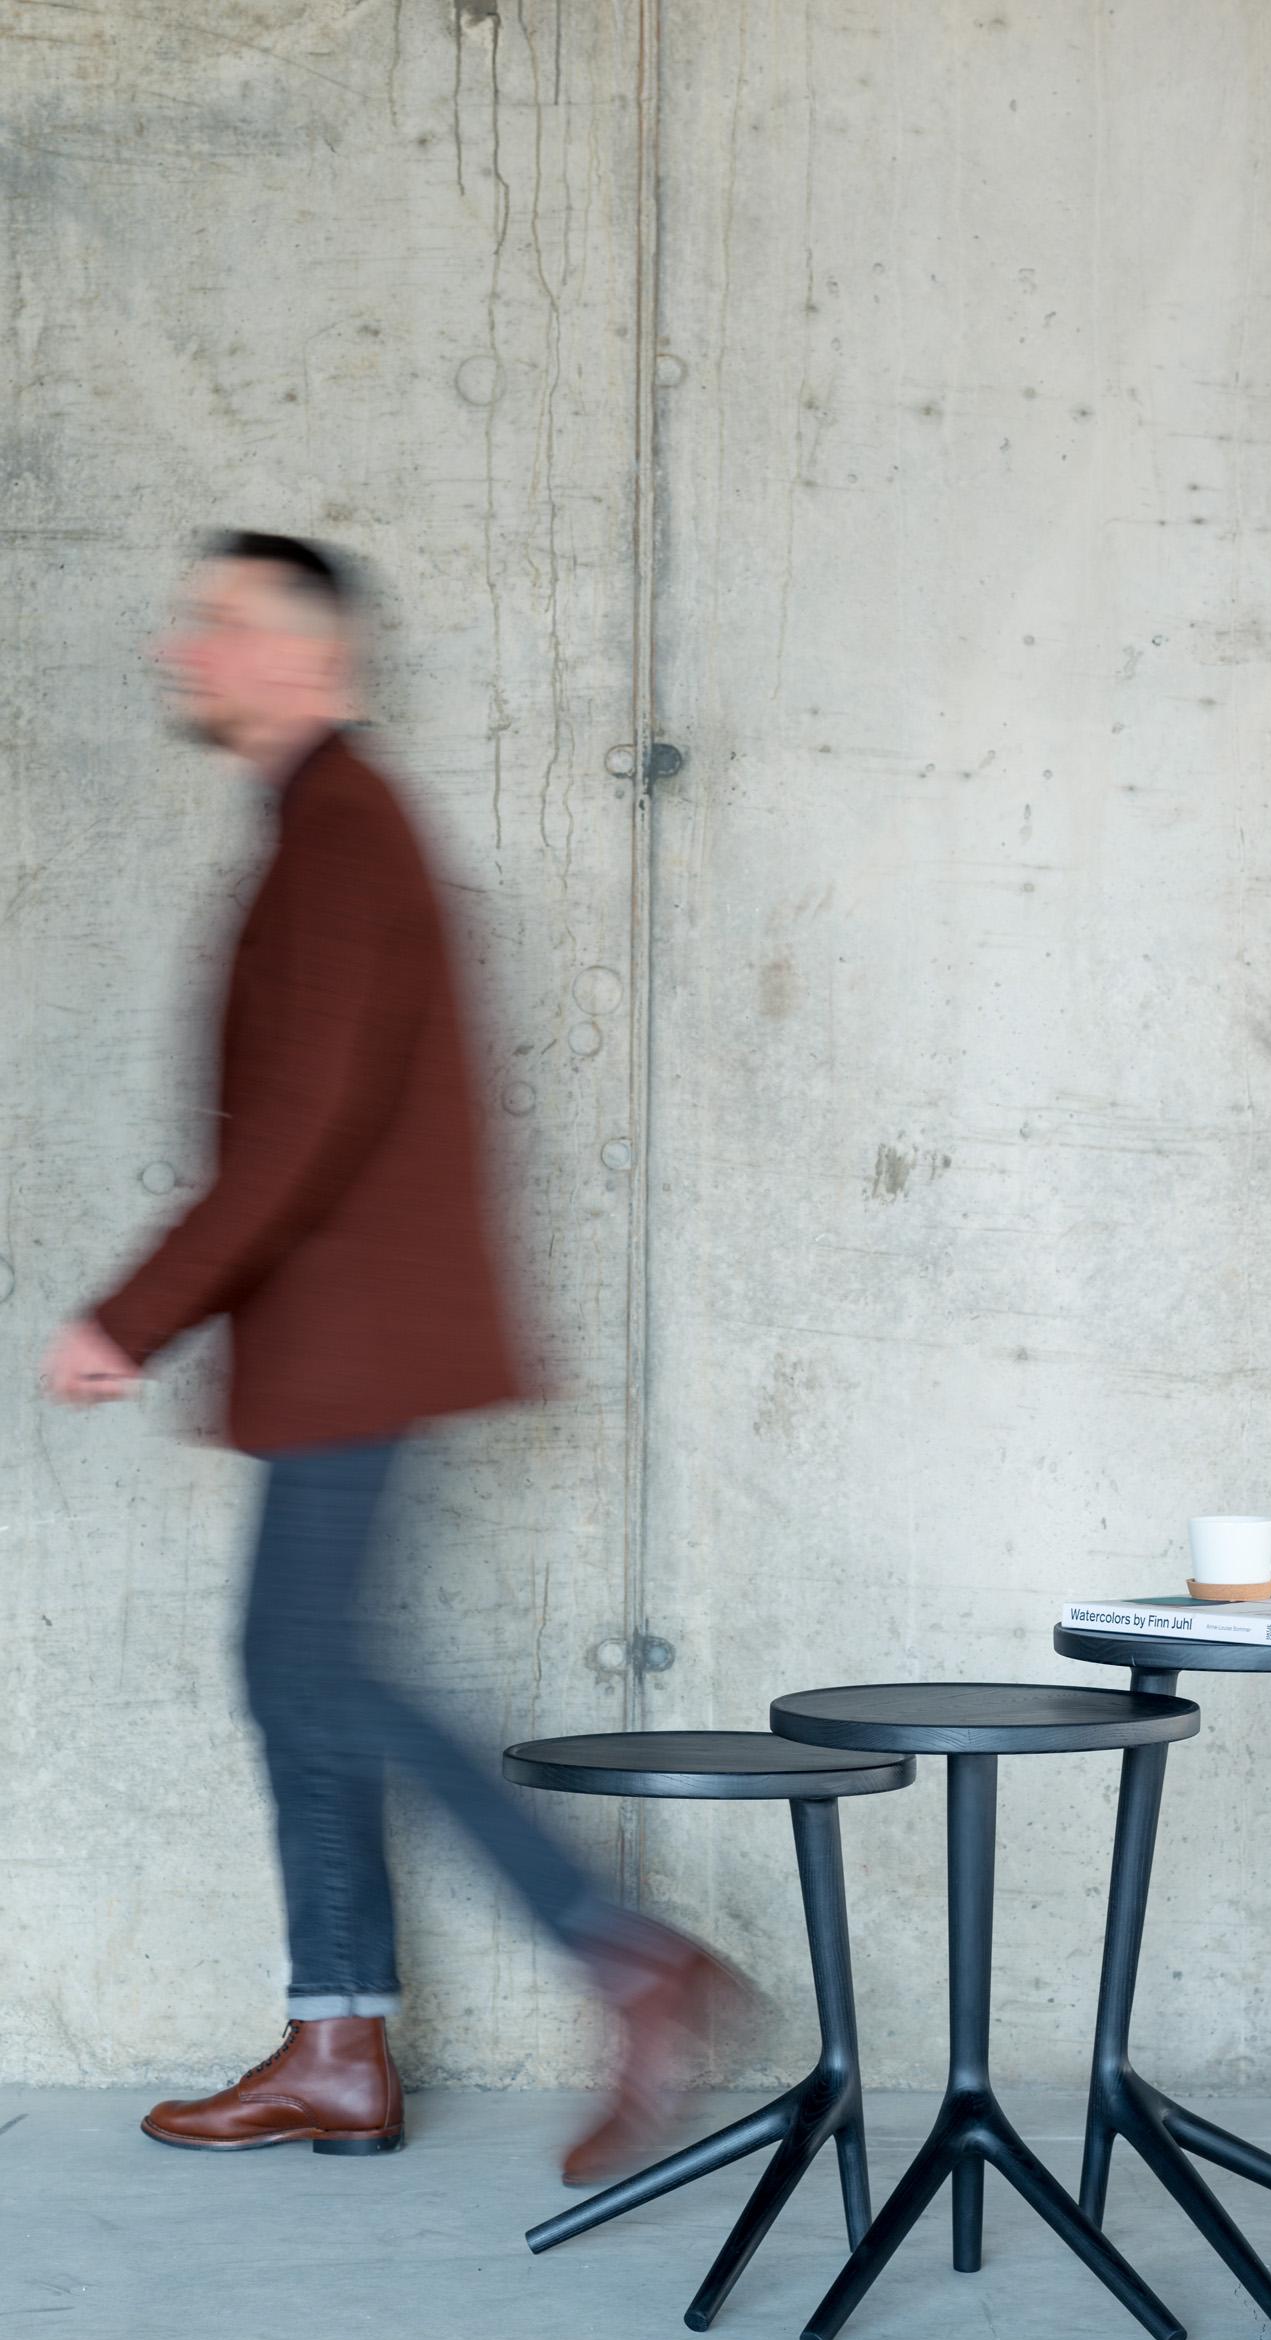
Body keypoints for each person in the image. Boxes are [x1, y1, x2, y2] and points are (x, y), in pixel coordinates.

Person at [43, 533, 741, 2182]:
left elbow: (300, 1130)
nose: (182, 649)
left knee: (321, 1673)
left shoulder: (346, 830)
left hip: (354, 1330)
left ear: (310, 658)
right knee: (299, 1679)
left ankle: (619, 1951)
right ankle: (340, 2043)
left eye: (217, 623)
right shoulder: (316, 828)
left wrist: (130, 1315)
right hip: (332, 1335)